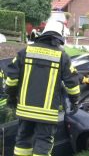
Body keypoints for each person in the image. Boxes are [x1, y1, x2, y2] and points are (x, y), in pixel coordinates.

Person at [5, 20, 81, 156]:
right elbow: (72, 84)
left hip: (25, 109)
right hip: (47, 112)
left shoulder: (25, 52)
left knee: (22, 140)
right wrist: (74, 100)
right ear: (59, 37)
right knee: (43, 142)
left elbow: (11, 79)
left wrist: (11, 97)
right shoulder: (62, 56)